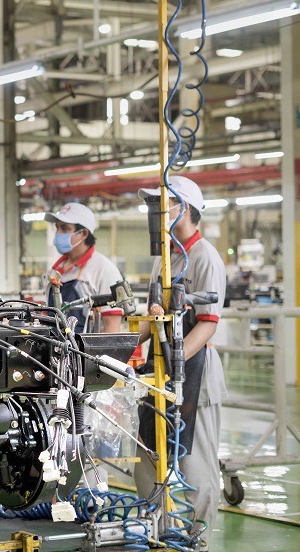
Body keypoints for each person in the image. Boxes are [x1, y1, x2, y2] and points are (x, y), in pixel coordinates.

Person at [134, 176, 227, 536]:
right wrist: (123, 349)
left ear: (183, 208)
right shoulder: (165, 258)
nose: (156, 213)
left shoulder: (205, 257)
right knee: (148, 458)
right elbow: (153, 317)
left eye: (162, 205)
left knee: (194, 464)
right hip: (158, 373)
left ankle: (196, 539)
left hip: (194, 374)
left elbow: (207, 324)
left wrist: (175, 363)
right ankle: (157, 533)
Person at [44, 202, 125, 333]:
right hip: (54, 344)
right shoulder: (54, 271)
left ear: (83, 234)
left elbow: (112, 329)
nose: (58, 233)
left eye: (64, 228)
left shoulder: (104, 270)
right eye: (57, 227)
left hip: (87, 346)